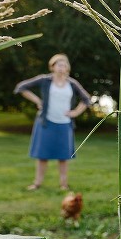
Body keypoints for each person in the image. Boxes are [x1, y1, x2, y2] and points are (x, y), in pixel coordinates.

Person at [14, 53, 91, 191]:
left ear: (68, 68)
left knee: (63, 157)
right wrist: (38, 101)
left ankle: (63, 184)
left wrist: (75, 112)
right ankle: (37, 183)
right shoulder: (44, 80)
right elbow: (21, 87)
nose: (62, 67)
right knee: (42, 156)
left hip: (65, 124)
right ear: (52, 67)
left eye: (64, 65)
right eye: (59, 65)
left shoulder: (72, 83)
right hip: (45, 123)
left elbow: (87, 99)